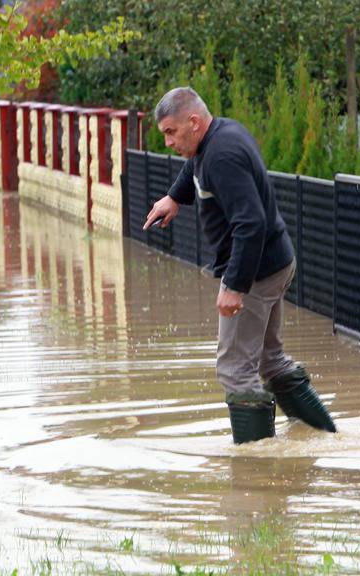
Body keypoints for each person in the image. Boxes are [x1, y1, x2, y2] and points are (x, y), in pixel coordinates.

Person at [142, 87, 336, 443]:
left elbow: (251, 223)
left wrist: (234, 286)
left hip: (256, 272)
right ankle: (325, 435)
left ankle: (256, 467)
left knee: (234, 370)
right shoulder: (218, 136)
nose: (167, 141)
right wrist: (174, 196)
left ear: (194, 122)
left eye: (171, 132)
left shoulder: (222, 156)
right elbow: (195, 168)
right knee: (270, 360)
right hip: (274, 261)